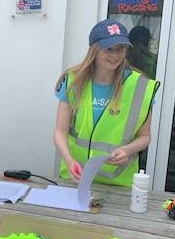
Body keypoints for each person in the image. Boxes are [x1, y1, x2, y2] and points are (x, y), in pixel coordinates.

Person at [53, 19, 160, 187]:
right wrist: (68, 160)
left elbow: (145, 136)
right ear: (94, 50)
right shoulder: (72, 81)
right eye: (108, 49)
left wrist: (127, 150)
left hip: (118, 184)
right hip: (76, 178)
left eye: (121, 49)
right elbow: (60, 131)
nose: (115, 55)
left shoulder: (141, 86)